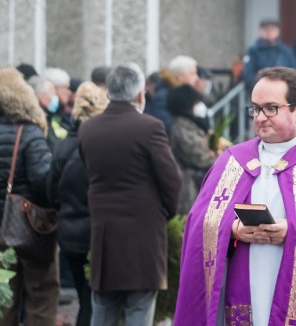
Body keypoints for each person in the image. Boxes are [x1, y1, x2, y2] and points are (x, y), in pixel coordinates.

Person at [175, 67, 296, 326]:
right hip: (243, 282)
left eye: (271, 108)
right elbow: (198, 223)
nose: (260, 117)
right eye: (255, 108)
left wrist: (293, 231)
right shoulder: (232, 161)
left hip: (294, 284)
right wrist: (230, 230)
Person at [79, 63, 182, 325]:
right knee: (139, 309)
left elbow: (89, 175)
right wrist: (165, 212)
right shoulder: (150, 127)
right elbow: (171, 180)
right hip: (143, 235)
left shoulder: (88, 129)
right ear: (140, 95)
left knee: (102, 309)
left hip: (104, 233)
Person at [47, 81, 109, 326]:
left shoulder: (63, 146)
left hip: (70, 234)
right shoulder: (102, 146)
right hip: (97, 233)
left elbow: (50, 190)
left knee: (85, 298)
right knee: (95, 300)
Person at [0, 68, 58, 326]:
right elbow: (42, 181)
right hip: (27, 226)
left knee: (4, 295)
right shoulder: (30, 133)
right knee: (42, 291)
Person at [166, 84, 217, 214]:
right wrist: (222, 158)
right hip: (188, 189)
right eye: (195, 103)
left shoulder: (190, 124)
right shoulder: (182, 128)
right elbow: (200, 158)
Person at [243, 18, 296, 92]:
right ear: (260, 31)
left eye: (272, 30)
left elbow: (295, 71)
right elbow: (248, 73)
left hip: (283, 90)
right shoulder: (253, 51)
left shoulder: (285, 51)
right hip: (261, 90)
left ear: (278, 31)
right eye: (266, 30)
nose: (269, 33)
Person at [28, 75, 67, 150]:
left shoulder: (51, 118)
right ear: (42, 98)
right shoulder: (36, 124)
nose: (56, 95)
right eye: (52, 91)